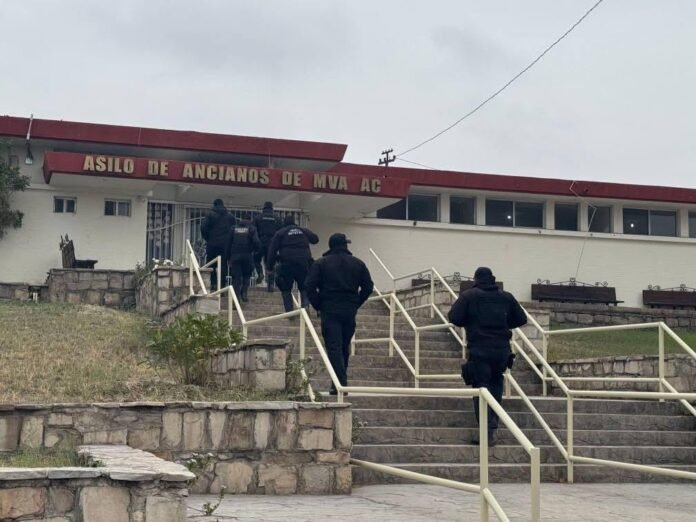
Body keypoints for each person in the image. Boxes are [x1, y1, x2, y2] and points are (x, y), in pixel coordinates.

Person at [448, 267, 527, 445]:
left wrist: (471, 321)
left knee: (482, 389)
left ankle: (486, 433)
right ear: (492, 279)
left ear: (476, 280)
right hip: (501, 352)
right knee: (496, 387)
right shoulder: (506, 297)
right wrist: (503, 324)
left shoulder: (469, 296)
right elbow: (521, 319)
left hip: (480, 350)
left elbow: (454, 317)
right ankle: (492, 427)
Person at [305, 233, 374, 395]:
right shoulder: (358, 263)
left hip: (329, 308)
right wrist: (356, 302)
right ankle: (338, 384)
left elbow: (309, 285)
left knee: (334, 347)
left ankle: (340, 384)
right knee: (344, 346)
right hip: (349, 309)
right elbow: (368, 287)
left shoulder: (321, 263)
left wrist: (318, 305)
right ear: (345, 245)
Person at [266, 215, 318, 313]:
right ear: (294, 222)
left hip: (287, 264)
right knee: (304, 286)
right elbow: (315, 240)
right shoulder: (303, 230)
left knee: (286, 288)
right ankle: (305, 305)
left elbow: (272, 251)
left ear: (284, 223)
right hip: (304, 262)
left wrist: (269, 267)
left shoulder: (280, 233)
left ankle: (289, 312)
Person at [200, 199, 235, 290]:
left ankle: (213, 284)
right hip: (225, 245)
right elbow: (233, 230)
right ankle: (222, 286)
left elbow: (203, 228)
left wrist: (208, 238)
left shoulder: (210, 215)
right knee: (223, 265)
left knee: (211, 264)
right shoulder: (230, 217)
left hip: (212, 244)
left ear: (214, 205)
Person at [225, 213, 261, 302]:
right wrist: (256, 250)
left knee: (236, 278)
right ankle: (244, 293)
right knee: (247, 275)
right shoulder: (252, 229)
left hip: (235, 257)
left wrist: (228, 257)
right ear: (250, 220)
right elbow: (256, 242)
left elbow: (228, 244)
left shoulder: (233, 228)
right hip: (247, 256)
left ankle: (236, 298)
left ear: (241, 219)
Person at [253, 201, 283, 291]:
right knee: (270, 264)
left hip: (260, 242)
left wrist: (255, 243)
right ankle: (270, 284)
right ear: (272, 208)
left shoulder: (258, 217)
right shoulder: (277, 218)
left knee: (256, 260)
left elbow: (253, 230)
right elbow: (281, 232)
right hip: (272, 244)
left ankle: (260, 273)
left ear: (264, 208)